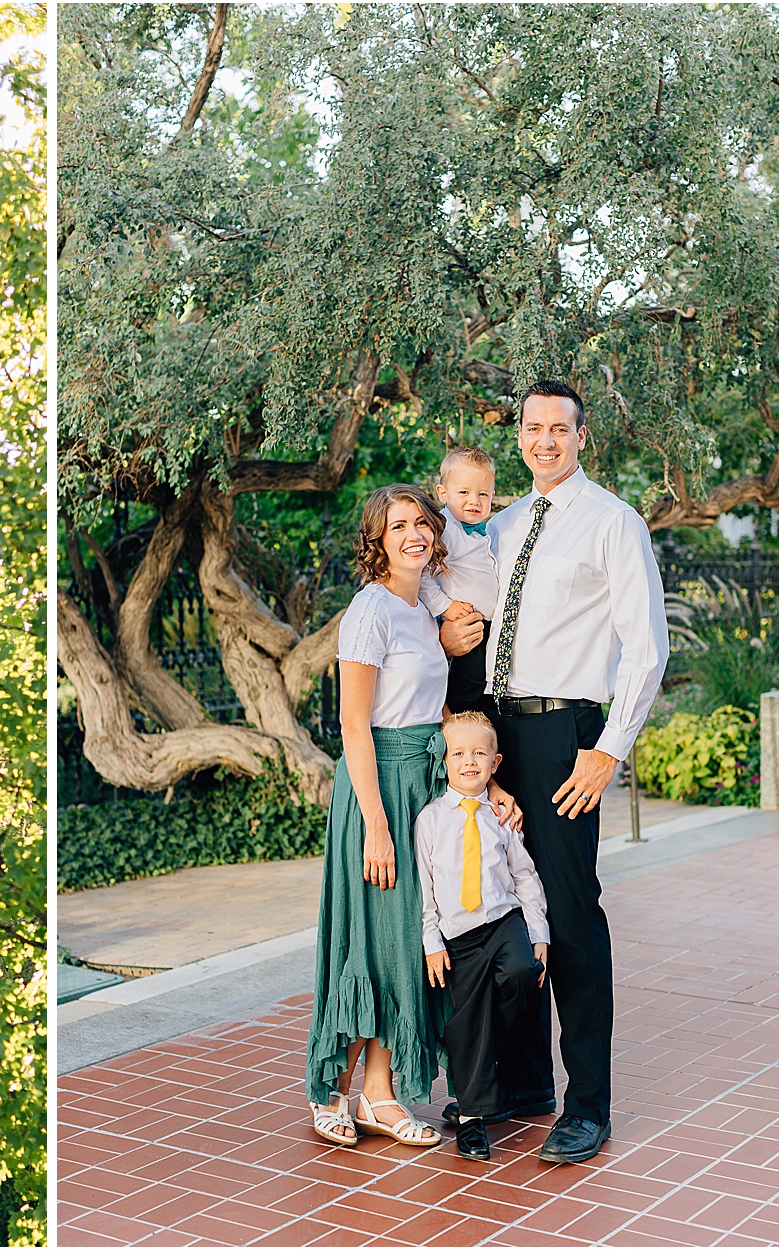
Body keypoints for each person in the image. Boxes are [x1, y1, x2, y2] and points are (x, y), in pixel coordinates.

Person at [441, 379, 668, 1165]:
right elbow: (460, 604)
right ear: (520, 438)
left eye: (557, 429)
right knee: (497, 903)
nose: (543, 440)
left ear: (582, 435)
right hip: (496, 733)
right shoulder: (495, 528)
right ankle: (524, 1083)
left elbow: (646, 647)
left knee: (571, 916)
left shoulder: (614, 523)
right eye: (532, 428)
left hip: (565, 736)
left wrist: (609, 750)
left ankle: (589, 1106)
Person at [305, 484, 522, 1149]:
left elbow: (439, 708)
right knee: (371, 938)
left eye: (422, 524)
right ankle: (332, 1092)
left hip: (424, 788)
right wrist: (373, 822)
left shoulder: (418, 608)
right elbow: (352, 724)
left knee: (405, 941)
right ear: (377, 539)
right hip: (380, 790)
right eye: (398, 526)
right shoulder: (370, 610)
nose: (415, 535)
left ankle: (380, 1092)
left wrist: (487, 789)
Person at [416, 711, 549, 1161]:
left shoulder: (501, 816)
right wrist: (432, 943)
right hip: (458, 937)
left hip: (504, 921)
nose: (469, 761)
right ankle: (474, 1118)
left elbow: (525, 876)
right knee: (467, 1024)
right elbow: (425, 891)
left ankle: (503, 1070)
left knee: (521, 973)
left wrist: (539, 932)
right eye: (458, 753)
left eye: (479, 753)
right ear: (445, 761)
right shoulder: (430, 821)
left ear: (496, 763)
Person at [421, 446, 499, 715]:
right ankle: (455, 722)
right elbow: (423, 575)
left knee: (483, 685)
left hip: (486, 626)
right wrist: (445, 607)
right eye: (463, 492)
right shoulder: (446, 529)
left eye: (483, 494)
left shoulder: (484, 532)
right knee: (468, 686)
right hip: (464, 623)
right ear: (443, 494)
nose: (473, 501)